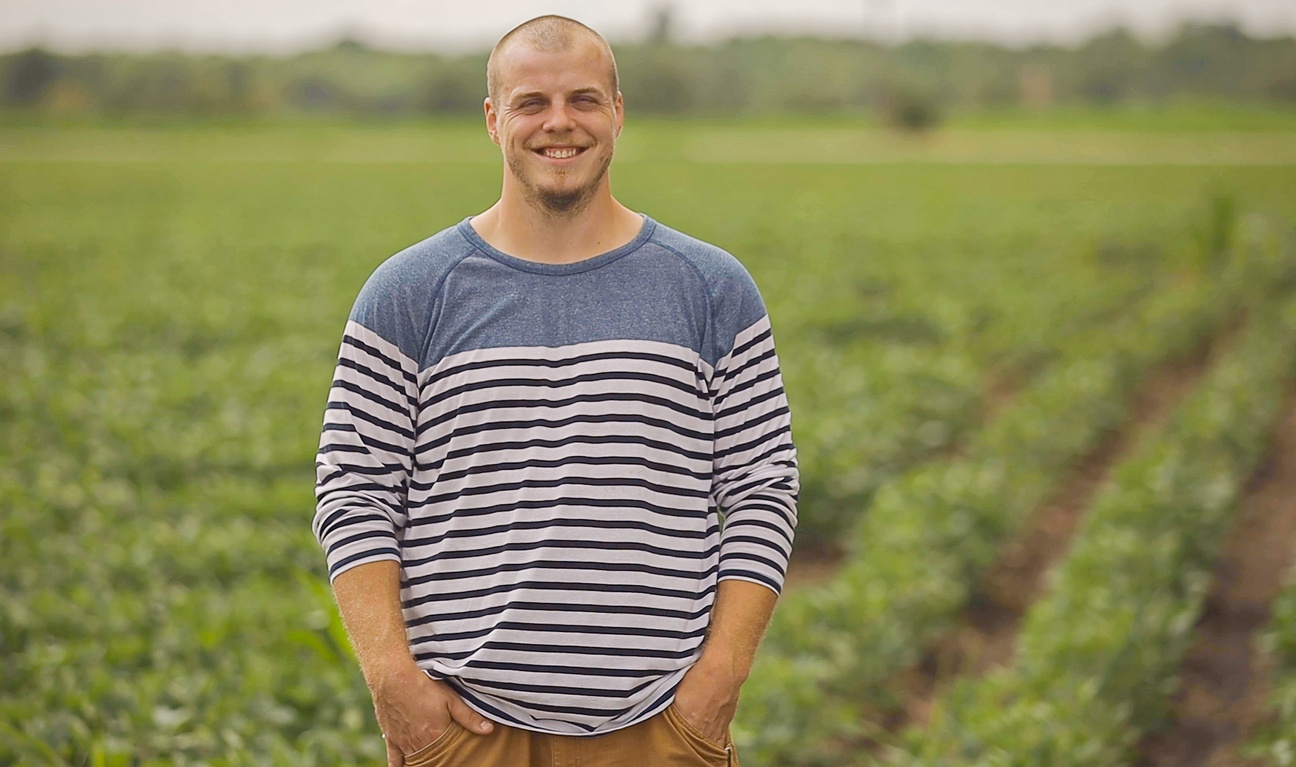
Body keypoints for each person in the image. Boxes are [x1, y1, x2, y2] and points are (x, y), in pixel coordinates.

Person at [312, 15, 797, 767]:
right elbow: (355, 490)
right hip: (465, 729)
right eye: (532, 102)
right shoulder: (408, 292)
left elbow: (762, 486)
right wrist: (392, 681)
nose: (559, 123)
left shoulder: (710, 288)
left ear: (618, 112)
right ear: (493, 118)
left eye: (583, 99)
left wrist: (719, 678)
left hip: (659, 723)